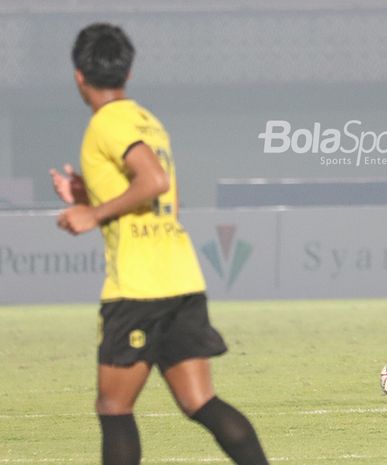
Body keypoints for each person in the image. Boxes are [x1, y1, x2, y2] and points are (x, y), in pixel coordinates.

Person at [50, 23, 270, 464]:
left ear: (78, 75)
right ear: (127, 74)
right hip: (181, 277)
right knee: (200, 401)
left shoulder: (105, 123)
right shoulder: (146, 120)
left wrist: (92, 213)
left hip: (138, 287)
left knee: (114, 407)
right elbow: (160, 195)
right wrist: (86, 194)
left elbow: (154, 180)